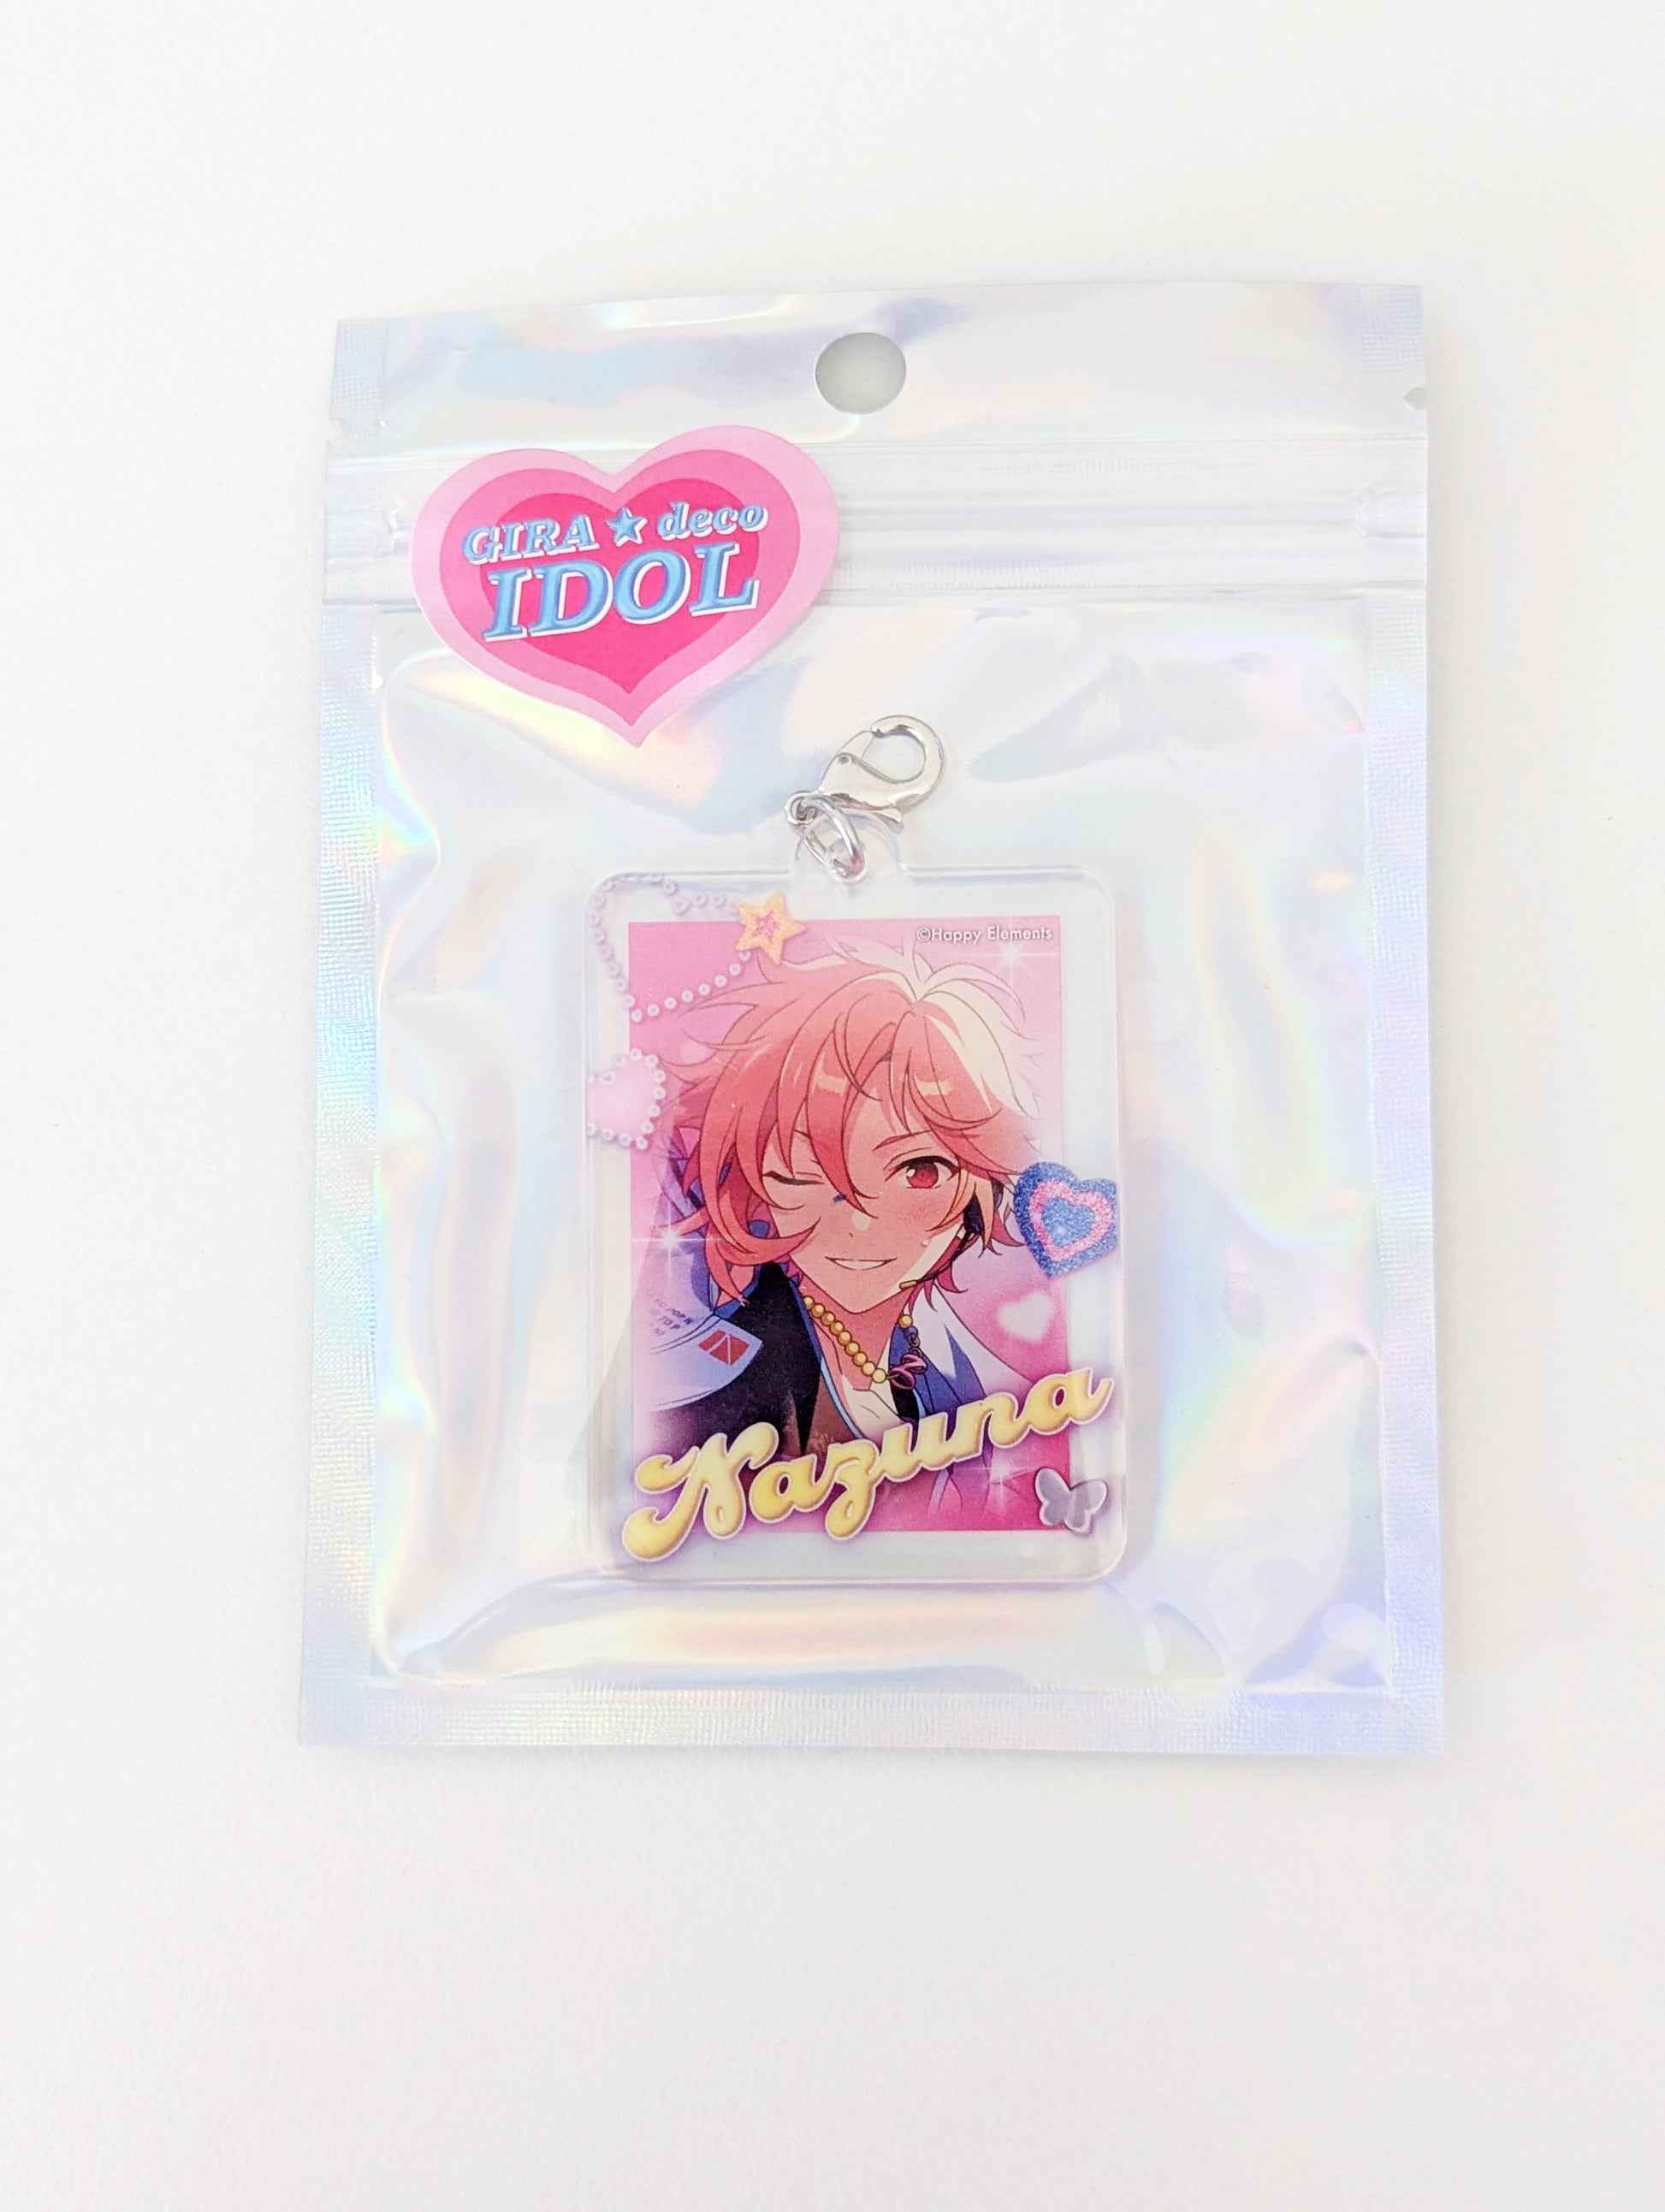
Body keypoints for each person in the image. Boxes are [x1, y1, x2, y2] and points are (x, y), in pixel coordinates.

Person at [645, 940, 1038, 1478]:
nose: (857, 1224)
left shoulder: (941, 1367)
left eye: (919, 1171)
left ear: (980, 1177)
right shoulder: (720, 1373)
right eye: (799, 1171)